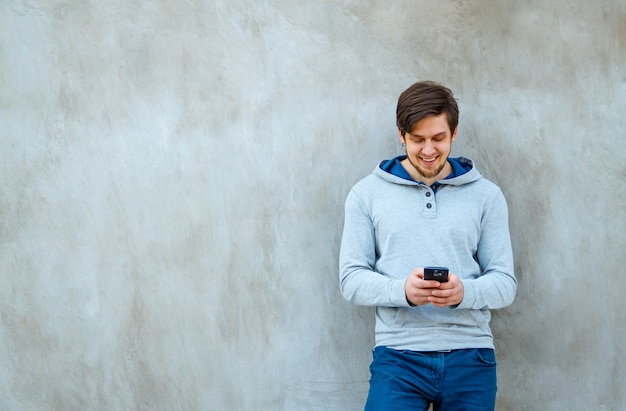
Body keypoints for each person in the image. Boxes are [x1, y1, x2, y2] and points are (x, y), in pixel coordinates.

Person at [339, 81, 517, 410]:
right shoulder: (366, 195)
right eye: (418, 139)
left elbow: (505, 284)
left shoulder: (486, 196)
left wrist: (464, 292)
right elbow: (351, 279)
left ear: (454, 132)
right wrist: (401, 291)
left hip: (471, 356)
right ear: (401, 134)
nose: (429, 150)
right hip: (398, 358)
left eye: (438, 138)